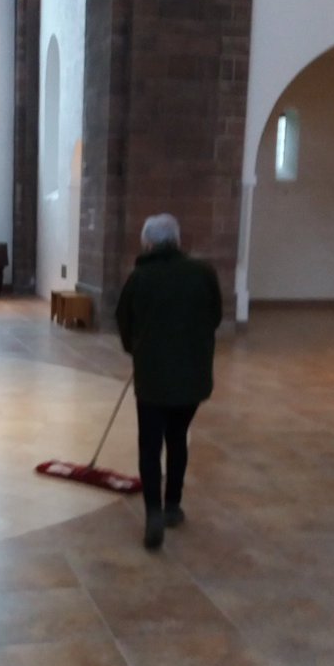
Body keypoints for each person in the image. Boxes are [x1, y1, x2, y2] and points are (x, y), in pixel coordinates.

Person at [116, 213, 222, 549]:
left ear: (148, 242)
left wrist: (136, 349)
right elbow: (215, 316)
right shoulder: (204, 273)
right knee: (178, 438)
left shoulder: (140, 277)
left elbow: (124, 322)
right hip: (192, 377)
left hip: (153, 379)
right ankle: (173, 505)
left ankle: (153, 514)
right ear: (177, 241)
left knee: (150, 445)